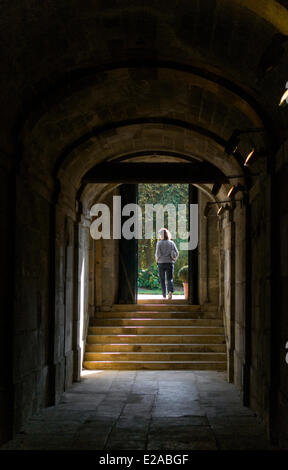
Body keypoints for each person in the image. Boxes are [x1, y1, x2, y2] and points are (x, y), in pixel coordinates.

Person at [155, 227, 179, 299]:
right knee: (170, 279)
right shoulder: (171, 243)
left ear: (161, 235)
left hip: (161, 263)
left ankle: (164, 295)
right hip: (169, 263)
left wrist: (157, 261)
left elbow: (157, 254)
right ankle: (170, 292)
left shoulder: (159, 243)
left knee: (162, 280)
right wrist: (174, 259)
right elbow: (177, 253)